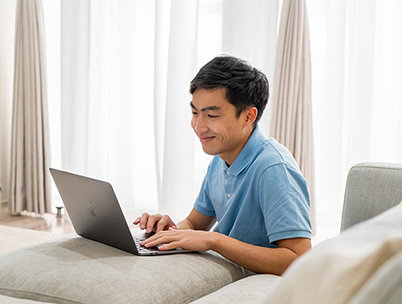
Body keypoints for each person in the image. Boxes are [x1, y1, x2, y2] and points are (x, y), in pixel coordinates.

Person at [133, 55, 312, 275]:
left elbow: (300, 260)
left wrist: (215, 241)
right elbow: (194, 224)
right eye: (195, 113)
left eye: (211, 115)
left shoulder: (274, 169)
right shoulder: (221, 159)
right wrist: (167, 230)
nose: (199, 126)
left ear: (248, 117)